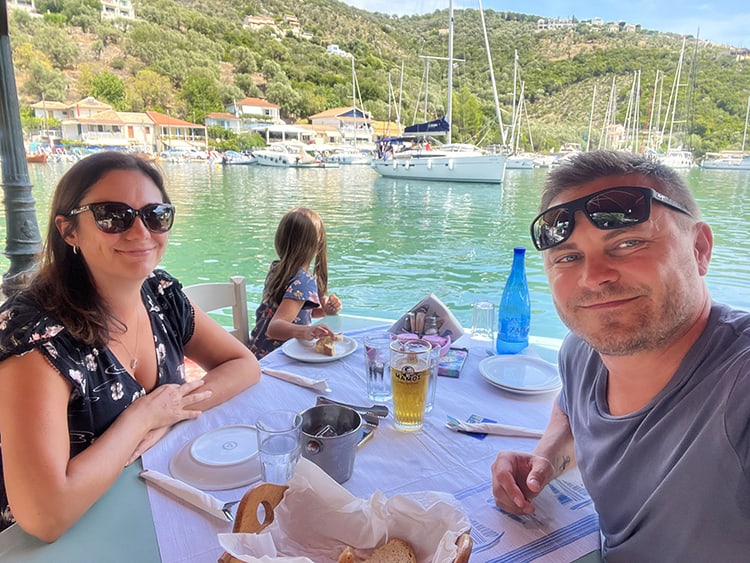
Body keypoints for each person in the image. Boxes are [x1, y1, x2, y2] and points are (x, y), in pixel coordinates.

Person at [491, 150, 750, 561]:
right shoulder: (583, 353)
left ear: (699, 248)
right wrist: (545, 458)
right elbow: (572, 411)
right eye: (569, 257)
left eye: (628, 243)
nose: (594, 276)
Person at [0, 152, 261, 541]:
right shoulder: (35, 337)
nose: (140, 232)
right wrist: (142, 417)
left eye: (155, 215)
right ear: (69, 230)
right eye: (112, 215)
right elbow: (45, 517)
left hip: (142, 501)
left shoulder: (162, 294)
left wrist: (172, 412)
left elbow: (243, 364)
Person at [249, 207, 342, 359]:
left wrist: (324, 310)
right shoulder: (304, 281)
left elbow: (294, 312)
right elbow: (274, 328)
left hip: (256, 352)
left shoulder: (277, 269)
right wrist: (306, 330)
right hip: (278, 358)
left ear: (279, 240)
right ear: (317, 245)